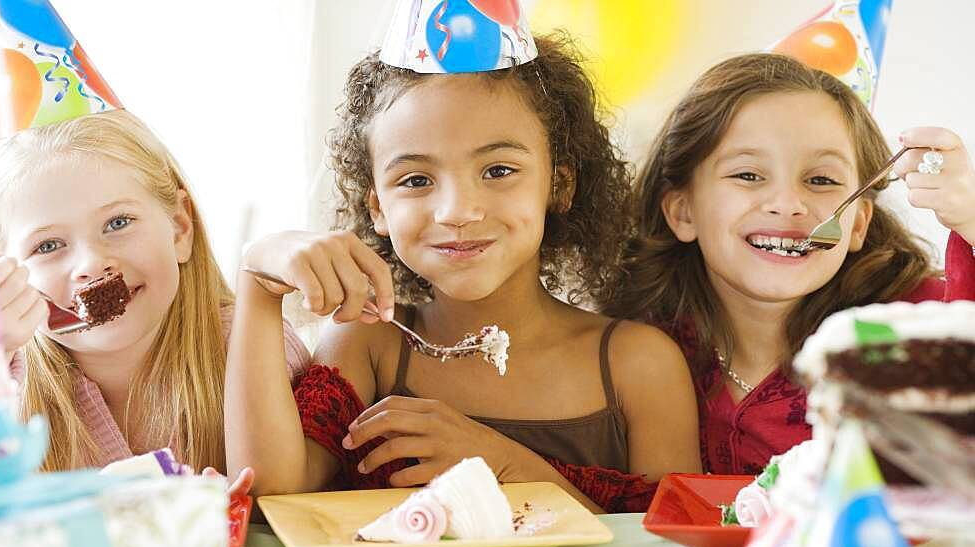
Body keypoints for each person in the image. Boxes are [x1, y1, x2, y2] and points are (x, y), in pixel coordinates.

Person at [227, 32, 702, 513]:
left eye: (498, 171)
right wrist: (258, 282)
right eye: (416, 180)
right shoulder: (369, 343)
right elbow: (270, 490)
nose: (457, 211)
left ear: (559, 184)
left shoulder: (638, 366)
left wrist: (504, 464)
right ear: (378, 209)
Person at [603, 53, 975, 477]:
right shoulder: (642, 353)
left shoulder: (912, 326)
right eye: (747, 175)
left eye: (820, 180)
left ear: (858, 224)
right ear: (683, 211)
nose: (788, 205)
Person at [0, 110, 311, 473]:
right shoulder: (3, 378)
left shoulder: (252, 346)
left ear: (180, 229)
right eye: (48, 246)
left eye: (117, 223)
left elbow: (285, 495)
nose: (91, 264)